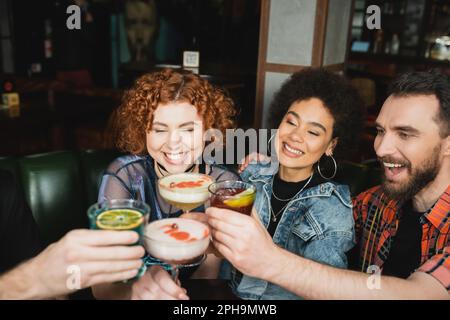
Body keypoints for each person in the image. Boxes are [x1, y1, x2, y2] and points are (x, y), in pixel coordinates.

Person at [208, 70, 450, 299]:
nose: (381, 148)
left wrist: (268, 259)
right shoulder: (377, 203)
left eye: (405, 134)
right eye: (379, 131)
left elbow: (421, 294)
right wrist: (272, 166)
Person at [211, 68, 363, 299]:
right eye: (291, 122)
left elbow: (326, 289)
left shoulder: (331, 210)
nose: (295, 136)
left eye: (313, 132)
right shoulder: (252, 175)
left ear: (331, 145)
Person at [92, 68, 239, 299]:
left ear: (208, 131)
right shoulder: (125, 175)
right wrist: (137, 290)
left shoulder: (224, 183)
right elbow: (102, 285)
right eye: (159, 129)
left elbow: (208, 273)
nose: (173, 143)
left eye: (188, 129)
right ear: (143, 130)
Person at [0, 169, 145, 299]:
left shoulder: (5, 187)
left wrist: (51, 287)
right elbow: (39, 278)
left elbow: (50, 289)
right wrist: (34, 280)